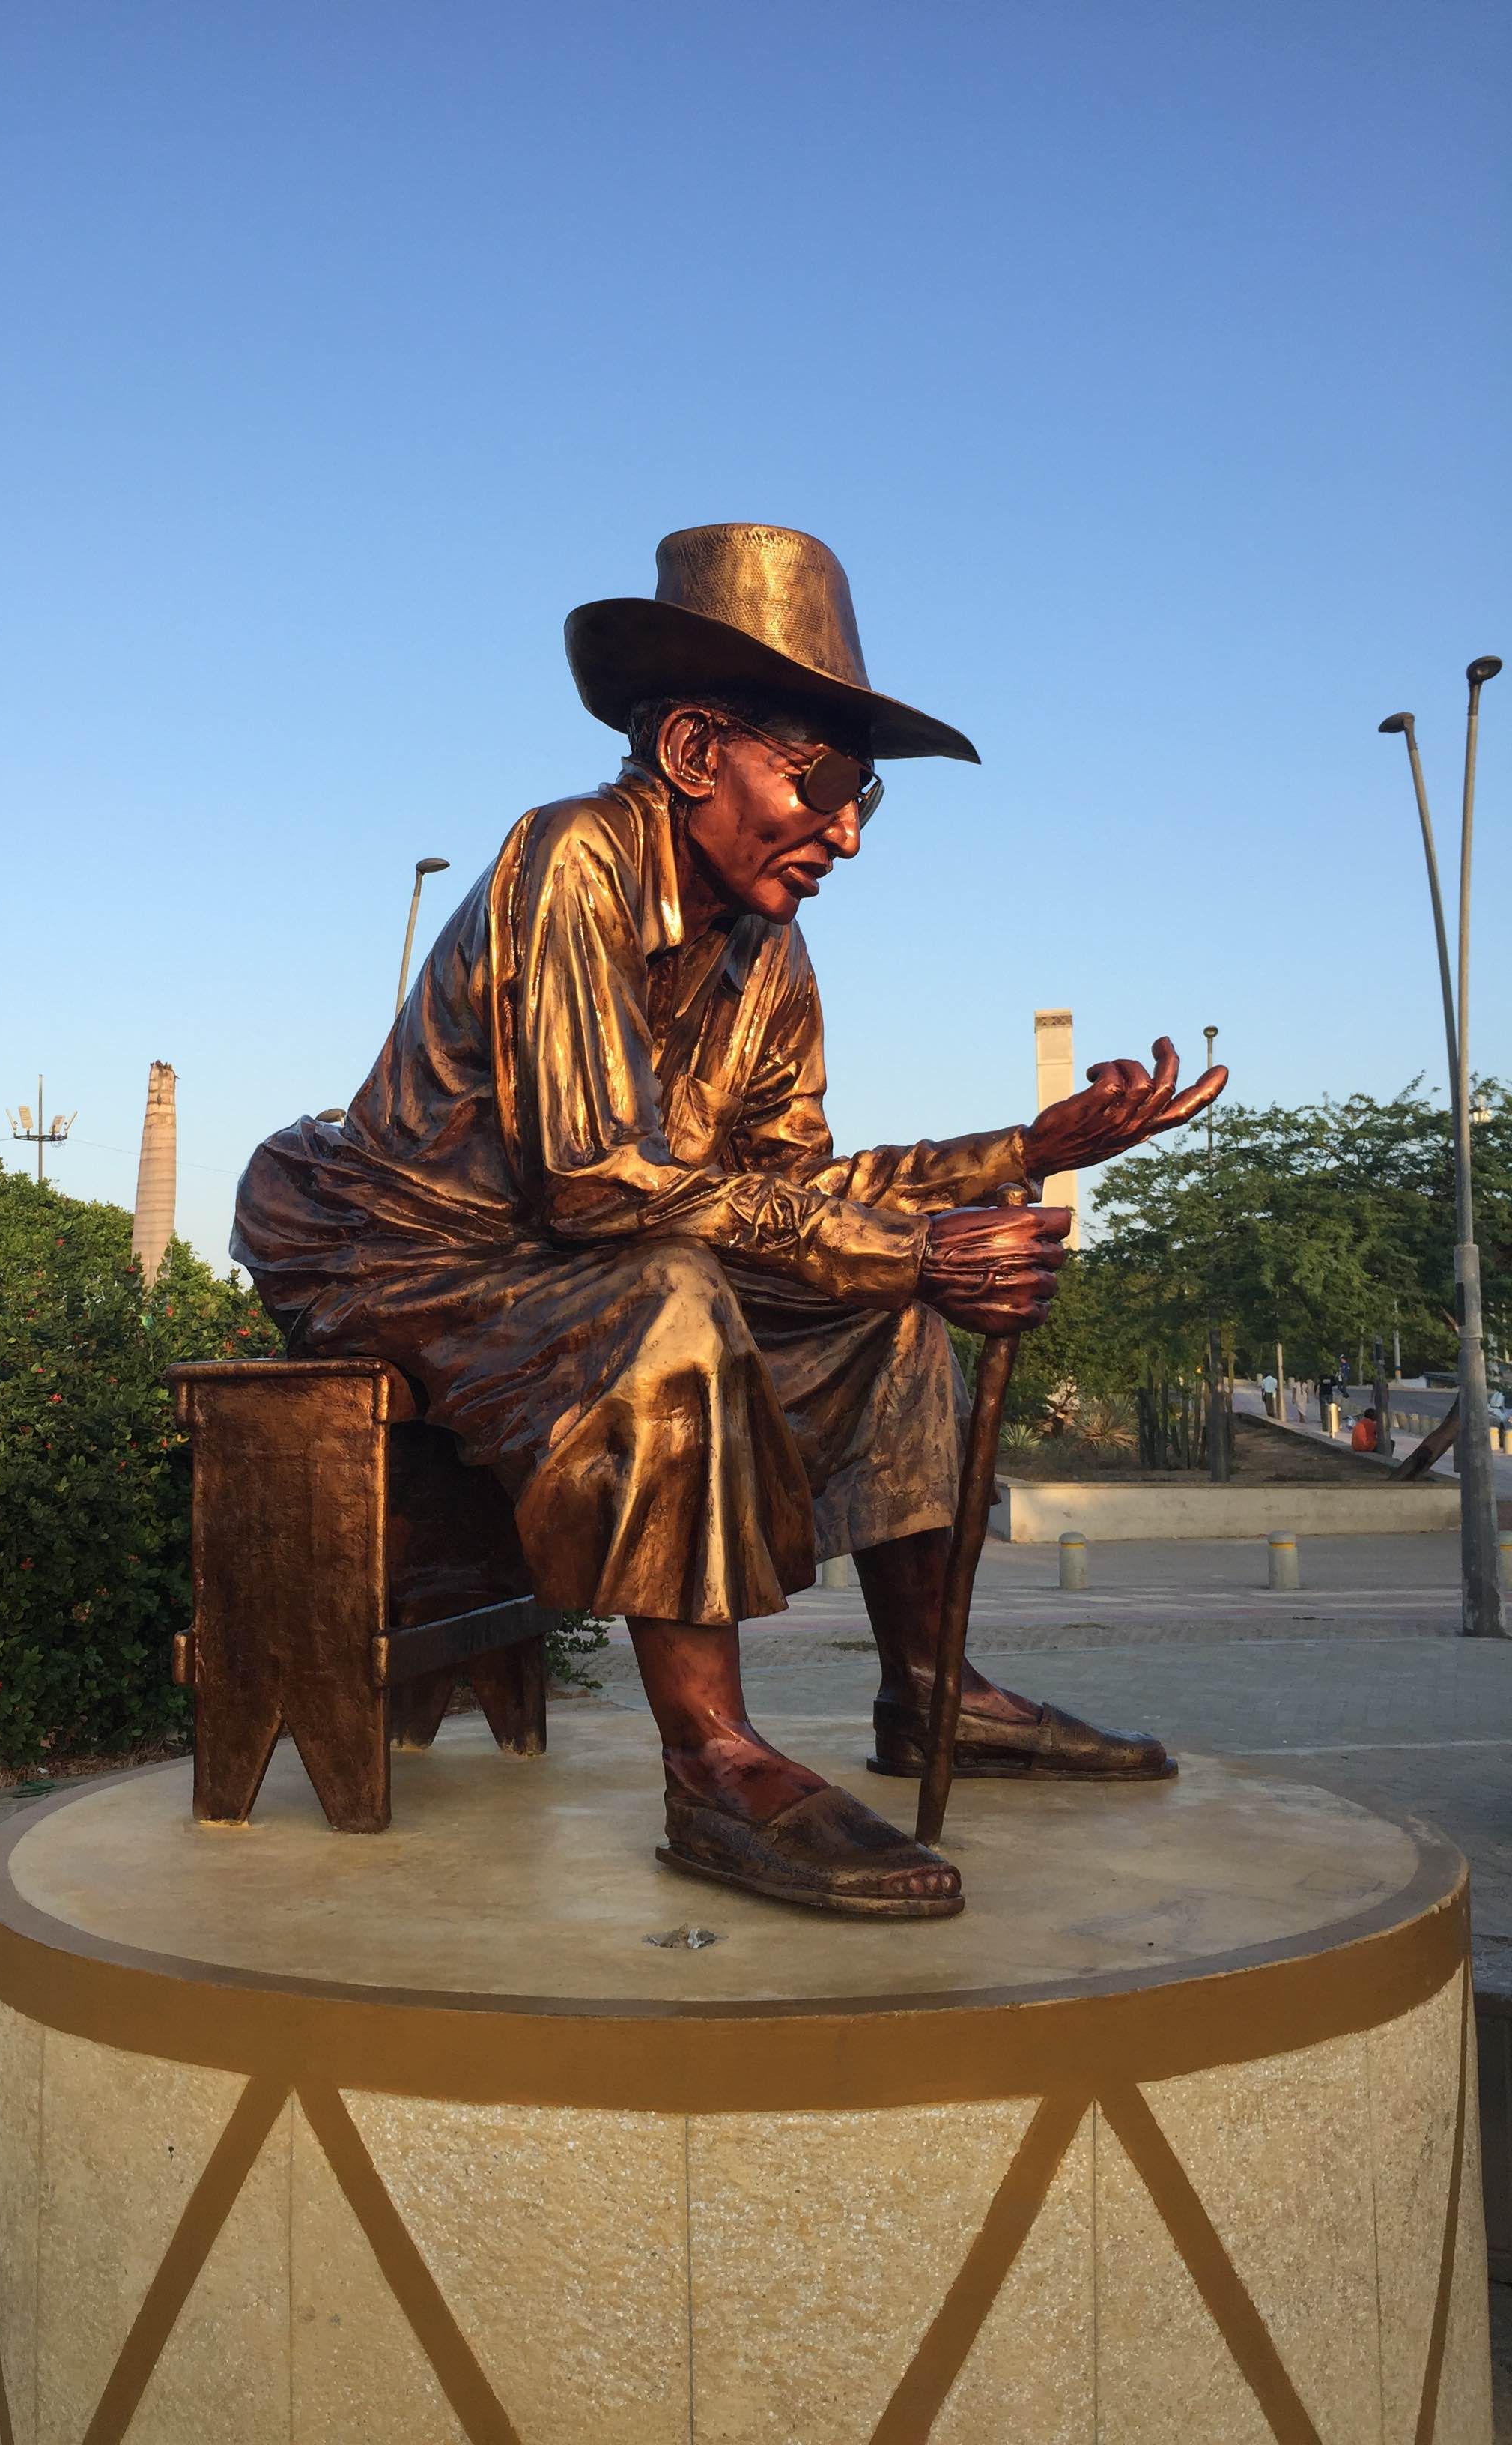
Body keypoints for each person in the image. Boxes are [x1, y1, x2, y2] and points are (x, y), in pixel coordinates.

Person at [234, 525, 1226, 1917]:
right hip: (419, 1249)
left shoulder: (771, 949)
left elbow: (792, 1197)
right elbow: (597, 1183)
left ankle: (929, 1690)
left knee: (881, 1312)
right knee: (674, 1301)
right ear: (698, 748)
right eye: (822, 784)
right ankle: (712, 1761)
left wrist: (1023, 1148)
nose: (851, 832)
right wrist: (913, 1242)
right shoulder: (569, 858)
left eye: (865, 795)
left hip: (574, 1252)